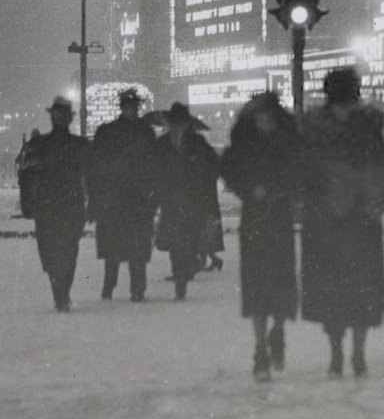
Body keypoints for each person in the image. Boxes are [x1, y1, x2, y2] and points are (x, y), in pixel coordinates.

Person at [300, 66, 384, 378]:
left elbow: (305, 172)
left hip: (327, 219)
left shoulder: (313, 128)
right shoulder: (368, 126)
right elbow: (383, 166)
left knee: (333, 291)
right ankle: (356, 353)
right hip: (360, 217)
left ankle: (339, 353)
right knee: (360, 290)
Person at [220, 92, 303, 381]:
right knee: (257, 286)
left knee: (279, 282)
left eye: (269, 117)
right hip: (257, 220)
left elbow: (299, 174)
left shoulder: (287, 145)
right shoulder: (246, 146)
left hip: (274, 219)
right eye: (261, 117)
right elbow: (229, 171)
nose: (265, 122)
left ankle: (276, 331)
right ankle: (260, 348)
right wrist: (248, 190)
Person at [18, 97, 90, 312]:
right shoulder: (77, 145)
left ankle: (60, 292)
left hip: (52, 206)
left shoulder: (41, 145)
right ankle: (61, 291)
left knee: (58, 251)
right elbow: (26, 177)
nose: (59, 118)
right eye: (57, 115)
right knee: (61, 252)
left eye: (62, 115)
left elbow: (25, 176)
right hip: (63, 206)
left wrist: (28, 204)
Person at [89, 88, 159, 302]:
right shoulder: (145, 133)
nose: (132, 110)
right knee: (135, 247)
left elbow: (96, 167)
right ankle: (133, 289)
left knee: (115, 247)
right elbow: (153, 167)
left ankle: (113, 288)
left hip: (117, 197)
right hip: (134, 197)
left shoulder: (107, 132)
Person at [154, 102, 220, 300]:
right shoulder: (162, 144)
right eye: (174, 123)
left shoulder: (197, 143)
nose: (177, 127)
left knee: (188, 238)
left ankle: (183, 274)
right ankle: (180, 276)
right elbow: (153, 169)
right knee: (176, 242)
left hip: (193, 199)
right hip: (171, 199)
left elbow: (212, 166)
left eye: (180, 123)